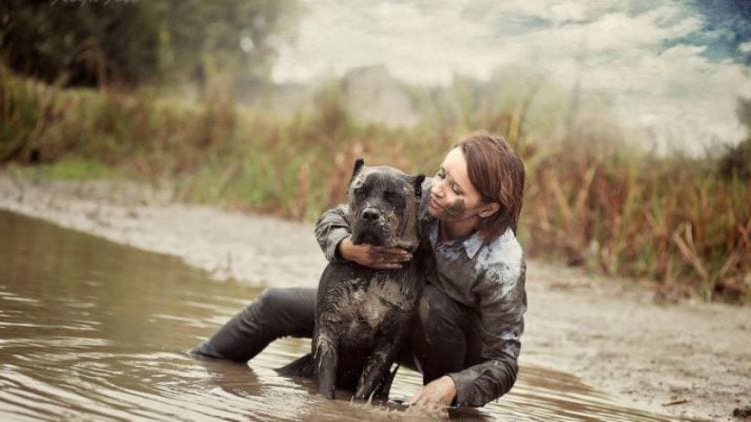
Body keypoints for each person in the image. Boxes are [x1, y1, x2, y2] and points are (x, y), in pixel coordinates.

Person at [191, 131, 527, 410]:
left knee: (431, 305)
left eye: (456, 189)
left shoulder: (502, 266)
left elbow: (504, 363)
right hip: (380, 310)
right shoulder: (418, 195)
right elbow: (333, 217)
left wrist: (452, 385)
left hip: (441, 345)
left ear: (487, 207)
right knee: (275, 303)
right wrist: (346, 248)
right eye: (442, 174)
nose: (438, 190)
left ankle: (437, 408)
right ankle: (200, 362)